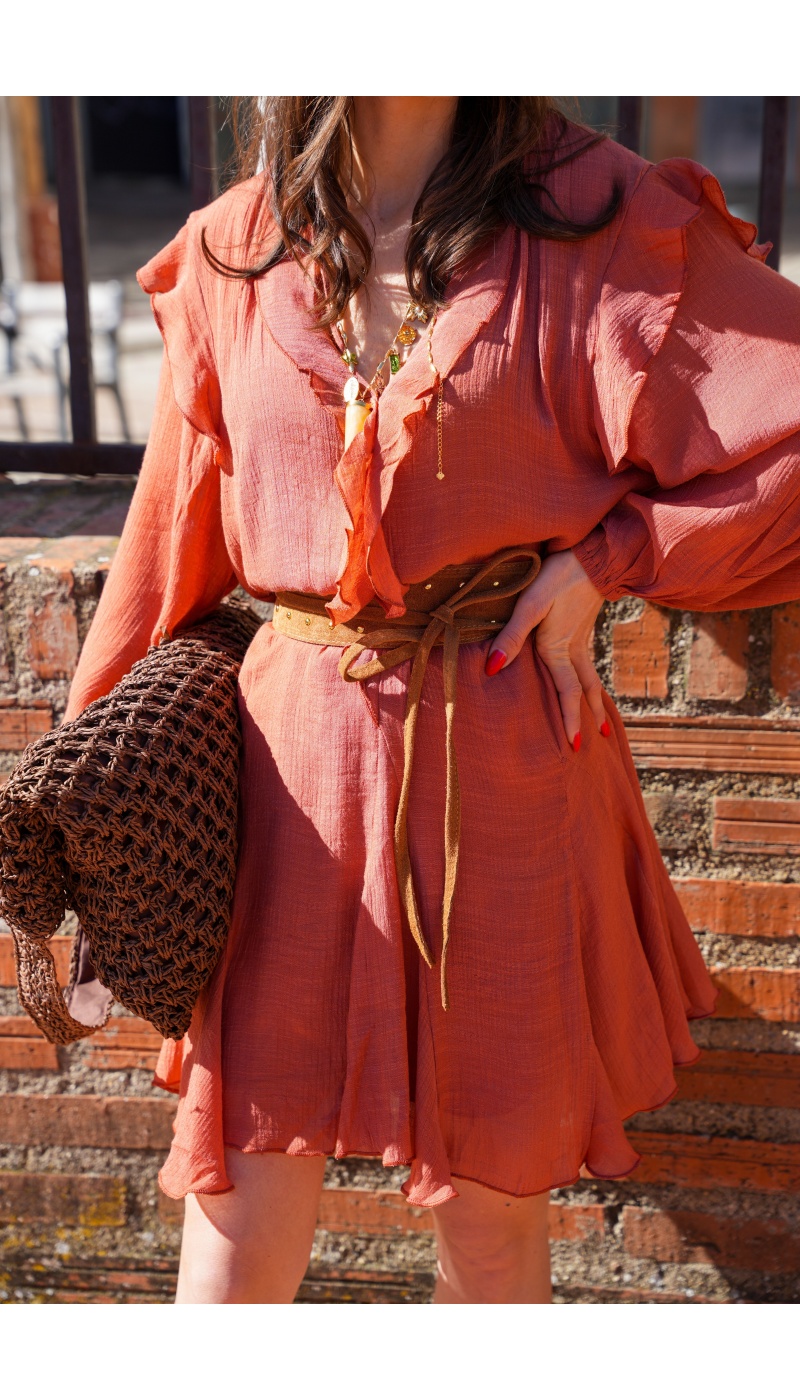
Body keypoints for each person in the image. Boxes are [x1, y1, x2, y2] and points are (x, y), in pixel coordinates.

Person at [63, 96, 800, 1304]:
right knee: (235, 1229)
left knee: (491, 1229)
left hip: (503, 776)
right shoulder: (231, 245)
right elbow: (169, 536)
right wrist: (83, 819)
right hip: (283, 793)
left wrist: (609, 559)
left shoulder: (594, 220)